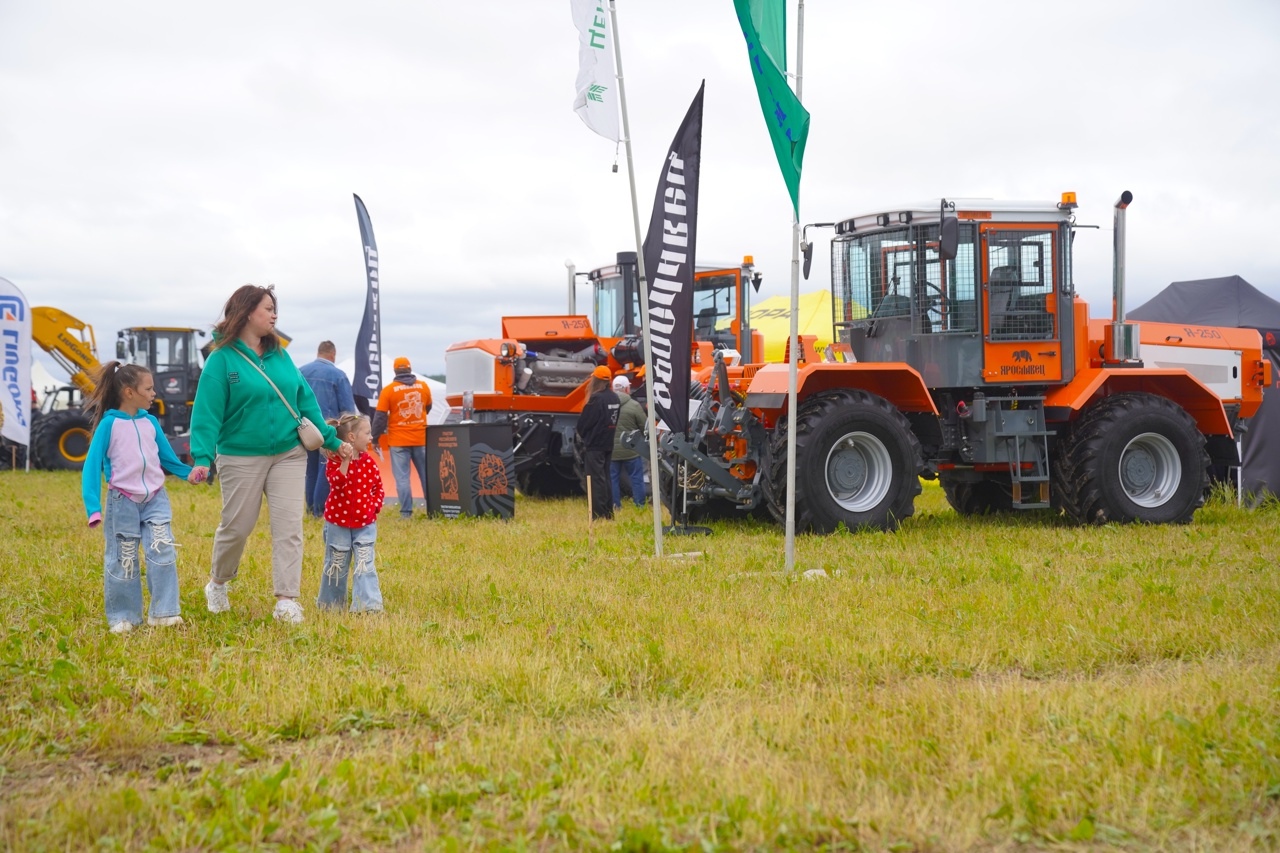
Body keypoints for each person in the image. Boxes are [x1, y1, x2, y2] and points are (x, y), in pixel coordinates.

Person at [188, 285, 351, 624]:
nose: (275, 315)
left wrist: (332, 441)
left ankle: (286, 600)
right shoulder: (221, 359)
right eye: (268, 309)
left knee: (289, 527)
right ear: (247, 312)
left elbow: (305, 401)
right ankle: (218, 583)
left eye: (275, 309)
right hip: (240, 456)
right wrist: (202, 458)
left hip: (289, 453)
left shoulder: (280, 355)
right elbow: (206, 412)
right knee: (237, 527)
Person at [80, 361, 203, 633]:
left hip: (156, 499)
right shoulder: (108, 425)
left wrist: (189, 474)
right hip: (122, 501)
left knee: (163, 550)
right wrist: (93, 507)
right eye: (148, 388)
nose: (153, 393)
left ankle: (164, 612)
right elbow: (91, 466)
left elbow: (167, 458)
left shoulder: (150, 422)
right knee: (123, 558)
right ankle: (124, 617)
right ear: (128, 392)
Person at [317, 412, 385, 613]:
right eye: (367, 433)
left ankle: (368, 607)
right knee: (336, 564)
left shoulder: (369, 462)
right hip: (338, 524)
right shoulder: (334, 461)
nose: (371, 437)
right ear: (352, 438)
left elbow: (378, 487)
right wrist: (345, 461)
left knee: (364, 562)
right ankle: (331, 606)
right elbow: (337, 484)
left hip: (365, 523)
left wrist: (374, 507)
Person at [300, 341, 356, 518]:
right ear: (333, 354)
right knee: (325, 470)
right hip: (328, 430)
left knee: (310, 472)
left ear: (319, 352)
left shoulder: (300, 372)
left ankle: (309, 509)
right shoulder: (338, 375)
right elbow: (347, 409)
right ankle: (320, 511)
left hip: (304, 430)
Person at [373, 356, 432, 519]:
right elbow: (428, 407)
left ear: (395, 371)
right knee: (426, 475)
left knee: (402, 478)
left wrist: (375, 438)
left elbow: (380, 417)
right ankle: (432, 509)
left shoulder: (389, 390)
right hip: (421, 439)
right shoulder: (423, 387)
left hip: (398, 441)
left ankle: (406, 513)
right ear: (410, 369)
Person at [575, 364, 620, 521]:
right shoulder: (614, 397)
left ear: (595, 380)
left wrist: (584, 436)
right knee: (606, 477)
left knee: (596, 480)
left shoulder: (596, 399)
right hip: (608, 442)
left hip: (595, 445)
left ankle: (598, 514)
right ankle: (608, 512)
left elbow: (583, 424)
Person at [610, 374, 647, 510]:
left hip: (612, 451)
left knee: (612, 479)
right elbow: (645, 427)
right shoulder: (634, 405)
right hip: (632, 450)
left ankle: (615, 506)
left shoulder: (608, 405)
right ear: (626, 389)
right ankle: (640, 506)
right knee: (636, 478)